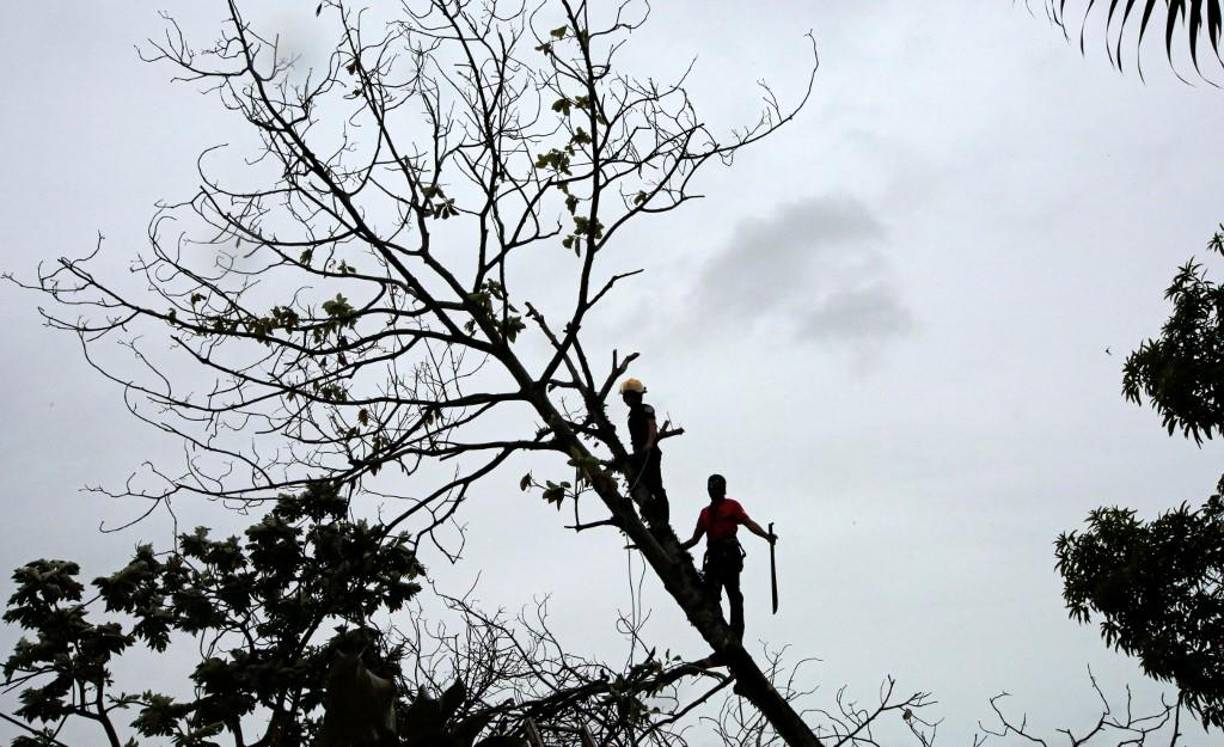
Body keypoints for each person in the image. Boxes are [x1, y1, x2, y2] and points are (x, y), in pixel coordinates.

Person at [681, 474, 776, 642]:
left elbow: (748, 523)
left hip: (729, 555)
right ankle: (721, 631)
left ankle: (735, 635)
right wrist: (677, 549)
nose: (714, 489)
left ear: (723, 489)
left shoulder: (731, 506)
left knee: (734, 595)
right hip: (714, 558)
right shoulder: (705, 513)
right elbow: (695, 539)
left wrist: (765, 536)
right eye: (712, 486)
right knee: (712, 596)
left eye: (716, 486)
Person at [620, 377, 669, 526]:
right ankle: (650, 513)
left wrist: (649, 444)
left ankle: (663, 520)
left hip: (650, 453)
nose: (629, 399)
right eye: (627, 396)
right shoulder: (631, 416)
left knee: (656, 486)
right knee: (641, 485)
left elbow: (652, 427)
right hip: (639, 454)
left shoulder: (646, 409)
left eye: (632, 396)